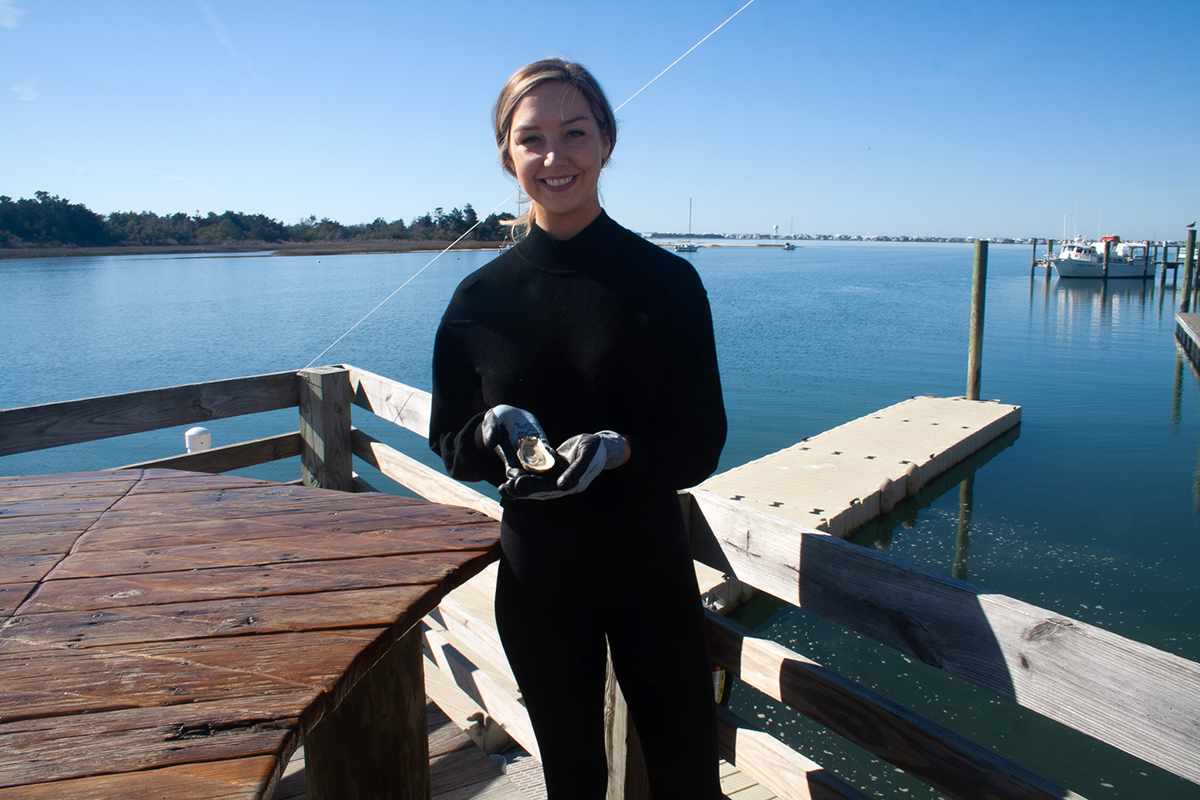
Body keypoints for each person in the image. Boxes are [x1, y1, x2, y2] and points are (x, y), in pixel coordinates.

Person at [429, 57, 727, 799]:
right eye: (532, 139)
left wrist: (620, 450)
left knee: (687, 772)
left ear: (607, 141)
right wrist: (493, 427)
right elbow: (449, 441)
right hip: (540, 577)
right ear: (508, 155)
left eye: (575, 133)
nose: (554, 156)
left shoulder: (667, 281)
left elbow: (701, 439)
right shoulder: (479, 297)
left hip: (650, 570)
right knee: (572, 780)